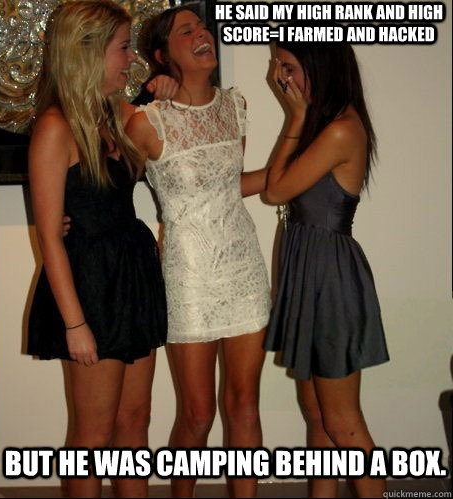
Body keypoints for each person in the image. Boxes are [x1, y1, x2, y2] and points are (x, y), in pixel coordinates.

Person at [27, 1, 176, 496]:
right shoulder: (56, 127)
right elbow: (50, 235)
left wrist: (167, 88)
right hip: (91, 286)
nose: (132, 59)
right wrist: (75, 325)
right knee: (92, 438)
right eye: (123, 48)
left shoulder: (117, 114)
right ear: (88, 52)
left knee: (135, 423)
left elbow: (172, 130)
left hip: (131, 276)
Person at [125, 6, 271, 498]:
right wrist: (66, 217)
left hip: (243, 266)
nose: (202, 33)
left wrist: (297, 166)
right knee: (198, 413)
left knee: (245, 403)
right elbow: (103, 181)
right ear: (163, 55)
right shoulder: (149, 119)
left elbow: (231, 185)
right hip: (189, 274)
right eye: (186, 31)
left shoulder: (235, 105)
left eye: (202, 27)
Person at [263, 24, 389, 498]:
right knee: (317, 414)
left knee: (342, 421)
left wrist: (294, 117)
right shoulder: (327, 123)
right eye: (278, 66)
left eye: (288, 66)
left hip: (330, 280)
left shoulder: (339, 129)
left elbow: (275, 190)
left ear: (319, 64)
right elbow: (278, 187)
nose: (280, 77)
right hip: (311, 274)